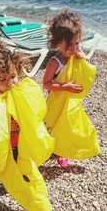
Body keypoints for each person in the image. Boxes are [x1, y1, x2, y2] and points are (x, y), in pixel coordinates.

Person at [0, 40, 54, 211]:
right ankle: (11, 180)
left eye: (13, 76)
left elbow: (35, 108)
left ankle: (23, 177)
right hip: (6, 142)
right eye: (2, 80)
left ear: (18, 70)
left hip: (20, 139)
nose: (10, 83)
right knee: (8, 163)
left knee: (22, 159)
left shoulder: (20, 91)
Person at [43, 9, 101, 168]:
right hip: (56, 100)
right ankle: (49, 147)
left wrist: (81, 58)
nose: (74, 48)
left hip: (70, 101)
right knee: (52, 124)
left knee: (67, 126)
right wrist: (65, 86)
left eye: (76, 43)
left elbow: (83, 69)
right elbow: (46, 83)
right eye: (69, 44)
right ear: (57, 42)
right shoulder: (55, 62)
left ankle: (63, 151)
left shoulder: (75, 53)